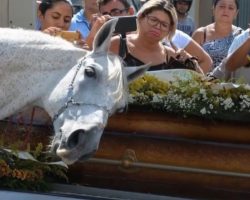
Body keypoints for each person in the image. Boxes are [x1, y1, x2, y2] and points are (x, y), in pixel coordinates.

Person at [109, 0, 203, 73]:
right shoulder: (117, 44)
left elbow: (201, 80)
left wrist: (190, 62)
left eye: (164, 24)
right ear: (141, 17)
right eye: (153, 20)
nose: (158, 27)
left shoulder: (169, 54)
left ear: (169, 30)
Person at [192, 0, 241, 69]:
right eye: (222, 6)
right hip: (203, 79)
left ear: (236, 13)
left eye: (231, 8)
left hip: (234, 79)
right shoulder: (200, 34)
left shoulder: (241, 35)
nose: (226, 10)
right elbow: (190, 63)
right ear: (213, 10)